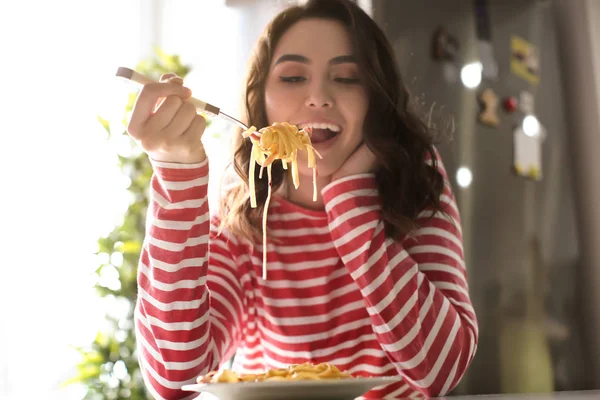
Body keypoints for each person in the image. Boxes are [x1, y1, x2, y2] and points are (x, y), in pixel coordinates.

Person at [127, 0, 479, 398]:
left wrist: (350, 207)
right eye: (293, 77)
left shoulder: (417, 183)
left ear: (377, 100)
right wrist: (178, 175)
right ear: (260, 102)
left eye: (348, 77)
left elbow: (443, 370)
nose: (318, 97)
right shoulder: (242, 213)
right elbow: (175, 381)